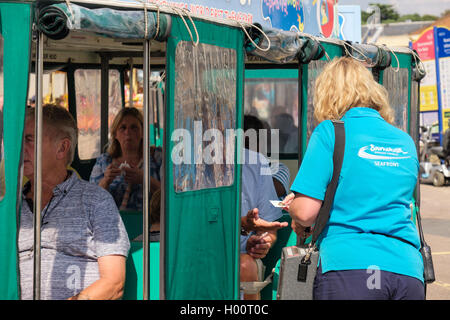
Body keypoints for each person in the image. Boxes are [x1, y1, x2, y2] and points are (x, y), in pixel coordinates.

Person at [282, 57, 424, 300]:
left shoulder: (330, 132)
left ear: (328, 94)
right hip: (407, 269)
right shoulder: (404, 141)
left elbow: (306, 212)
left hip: (348, 266)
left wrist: (293, 204)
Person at [19, 104, 130, 300]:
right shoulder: (11, 207)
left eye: (29, 140)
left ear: (62, 148)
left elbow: (114, 282)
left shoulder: (96, 201)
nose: (21, 148)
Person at [240, 115, 288, 300]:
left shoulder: (263, 164)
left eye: (252, 140)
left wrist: (262, 241)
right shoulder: (185, 162)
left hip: (246, 258)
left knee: (246, 265)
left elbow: (268, 225)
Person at [89, 107, 161, 212]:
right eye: (123, 128)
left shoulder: (157, 157)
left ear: (143, 132)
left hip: (150, 224)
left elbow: (170, 196)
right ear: (115, 134)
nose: (128, 132)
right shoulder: (104, 162)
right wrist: (105, 181)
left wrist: (146, 180)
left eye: (134, 127)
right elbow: (90, 200)